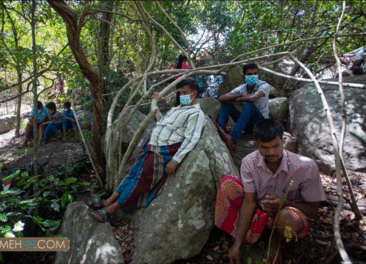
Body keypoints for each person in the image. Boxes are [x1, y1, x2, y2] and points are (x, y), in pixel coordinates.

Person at [87, 78, 205, 222]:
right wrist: (155, 102)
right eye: (180, 92)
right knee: (132, 175)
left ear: (194, 94)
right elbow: (161, 121)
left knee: (140, 181)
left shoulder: (196, 114)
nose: (182, 95)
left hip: (163, 153)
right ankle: (108, 201)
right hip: (151, 148)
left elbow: (191, 138)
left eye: (185, 92)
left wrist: (175, 160)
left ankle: (112, 209)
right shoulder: (176, 109)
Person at [214, 119, 326, 264]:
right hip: (261, 216)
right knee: (227, 184)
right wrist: (237, 244)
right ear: (256, 145)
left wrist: (284, 203)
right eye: (265, 147)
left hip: (290, 221)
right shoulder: (249, 162)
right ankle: (252, 234)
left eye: (276, 146)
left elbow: (313, 211)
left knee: (286, 216)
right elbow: (250, 202)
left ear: (283, 141)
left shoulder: (306, 167)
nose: (271, 152)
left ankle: (276, 243)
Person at [218, 63, 269, 146]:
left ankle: (232, 139)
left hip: (261, 124)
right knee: (226, 104)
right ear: (243, 77)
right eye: (249, 74)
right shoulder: (242, 88)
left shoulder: (264, 85)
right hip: (248, 125)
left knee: (249, 105)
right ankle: (220, 130)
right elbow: (221, 98)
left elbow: (252, 98)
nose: (253, 76)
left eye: (255, 73)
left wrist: (237, 99)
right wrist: (239, 96)